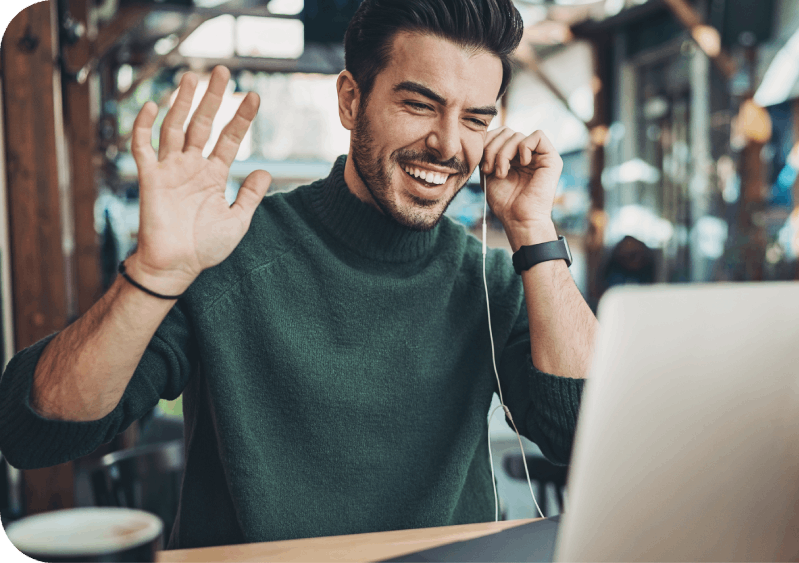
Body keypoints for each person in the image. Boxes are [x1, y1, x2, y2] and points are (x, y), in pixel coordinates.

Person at [0, 0, 597, 549]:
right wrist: (153, 274)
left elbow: (583, 440)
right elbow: (35, 431)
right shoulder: (229, 249)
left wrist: (533, 229)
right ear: (349, 100)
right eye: (418, 104)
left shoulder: (490, 277)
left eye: (475, 119)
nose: (448, 144)